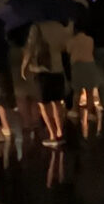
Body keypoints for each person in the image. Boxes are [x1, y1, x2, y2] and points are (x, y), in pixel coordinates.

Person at [21, 18, 72, 146]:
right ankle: (60, 132)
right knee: (57, 102)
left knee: (44, 104)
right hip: (58, 69)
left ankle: (52, 134)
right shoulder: (59, 26)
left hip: (42, 71)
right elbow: (66, 46)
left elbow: (30, 48)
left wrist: (24, 67)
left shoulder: (36, 27)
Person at [66, 23, 101, 112]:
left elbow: (68, 50)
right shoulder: (90, 39)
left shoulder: (72, 41)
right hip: (90, 64)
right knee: (89, 91)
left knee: (77, 90)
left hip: (77, 65)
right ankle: (90, 110)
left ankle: (75, 110)